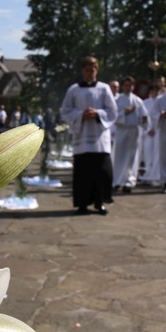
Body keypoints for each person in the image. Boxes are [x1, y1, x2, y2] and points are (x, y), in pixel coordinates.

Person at [60, 57, 118, 215]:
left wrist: (97, 114)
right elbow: (65, 110)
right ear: (82, 71)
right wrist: (81, 115)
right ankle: (82, 204)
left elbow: (113, 111)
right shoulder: (74, 89)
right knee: (83, 172)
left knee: (103, 171)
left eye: (93, 70)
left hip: (99, 138)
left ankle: (100, 203)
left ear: (96, 70)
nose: (90, 73)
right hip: (82, 137)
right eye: (87, 70)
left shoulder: (104, 88)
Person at [112, 76, 149, 192]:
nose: (128, 87)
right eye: (126, 85)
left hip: (133, 131)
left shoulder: (138, 101)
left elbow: (144, 117)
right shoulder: (117, 100)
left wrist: (144, 121)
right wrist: (124, 112)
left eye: (130, 85)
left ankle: (129, 181)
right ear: (123, 86)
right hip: (121, 130)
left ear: (133, 87)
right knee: (119, 156)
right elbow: (112, 116)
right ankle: (117, 181)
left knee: (131, 157)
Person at [139, 79, 164, 186]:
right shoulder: (145, 103)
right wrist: (148, 129)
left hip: (158, 131)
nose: (154, 93)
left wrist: (156, 128)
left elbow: (161, 117)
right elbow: (143, 118)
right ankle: (147, 174)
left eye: (156, 91)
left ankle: (155, 176)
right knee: (147, 154)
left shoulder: (161, 102)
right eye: (153, 91)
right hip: (148, 132)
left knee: (157, 155)